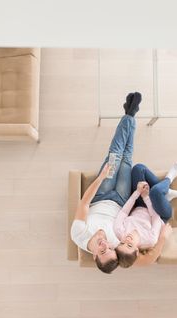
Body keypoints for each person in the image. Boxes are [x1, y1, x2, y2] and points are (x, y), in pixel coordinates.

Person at [71, 92, 142, 274]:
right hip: (120, 200)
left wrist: (101, 177)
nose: (106, 245)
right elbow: (134, 245)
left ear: (94, 256)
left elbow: (84, 203)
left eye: (102, 250)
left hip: (101, 195)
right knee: (127, 159)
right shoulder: (115, 243)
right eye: (110, 249)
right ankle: (129, 114)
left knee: (115, 154)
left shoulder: (78, 235)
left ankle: (130, 114)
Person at [114, 163, 177, 268]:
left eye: (122, 243)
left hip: (140, 204)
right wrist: (146, 197)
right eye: (129, 245)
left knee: (138, 169)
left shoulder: (118, 231)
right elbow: (155, 217)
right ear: (136, 251)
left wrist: (137, 192)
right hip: (160, 213)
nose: (127, 240)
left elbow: (124, 212)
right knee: (155, 192)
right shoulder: (149, 240)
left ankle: (166, 193)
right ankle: (169, 179)